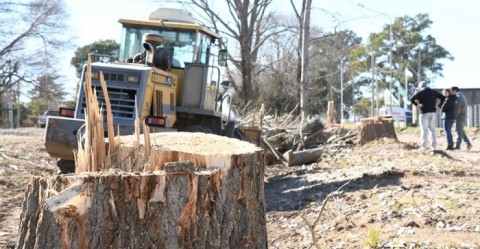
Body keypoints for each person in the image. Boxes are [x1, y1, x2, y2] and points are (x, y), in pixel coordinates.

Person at [409, 81, 446, 151]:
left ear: (420, 87)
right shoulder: (433, 92)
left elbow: (411, 99)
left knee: (424, 130)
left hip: (424, 113)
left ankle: (424, 147)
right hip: (433, 112)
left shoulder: (420, 92)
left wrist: (417, 105)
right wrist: (439, 105)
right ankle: (433, 146)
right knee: (432, 129)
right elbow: (443, 97)